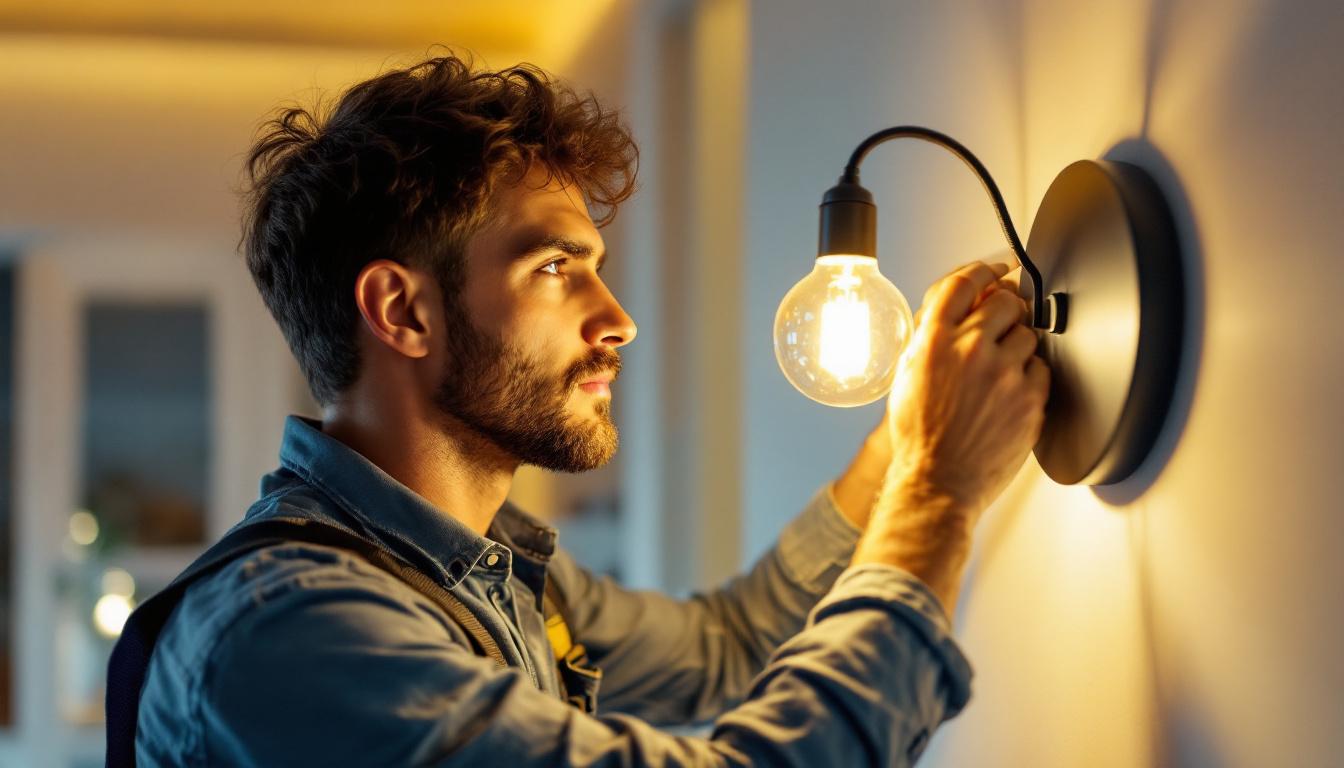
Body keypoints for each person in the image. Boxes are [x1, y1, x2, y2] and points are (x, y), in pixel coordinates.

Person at [120, 55, 1048, 767]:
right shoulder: (293, 632)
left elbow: (725, 647)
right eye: (555, 270)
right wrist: (937, 490)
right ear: (404, 311)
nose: (619, 321)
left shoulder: (486, 574)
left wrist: (908, 438)